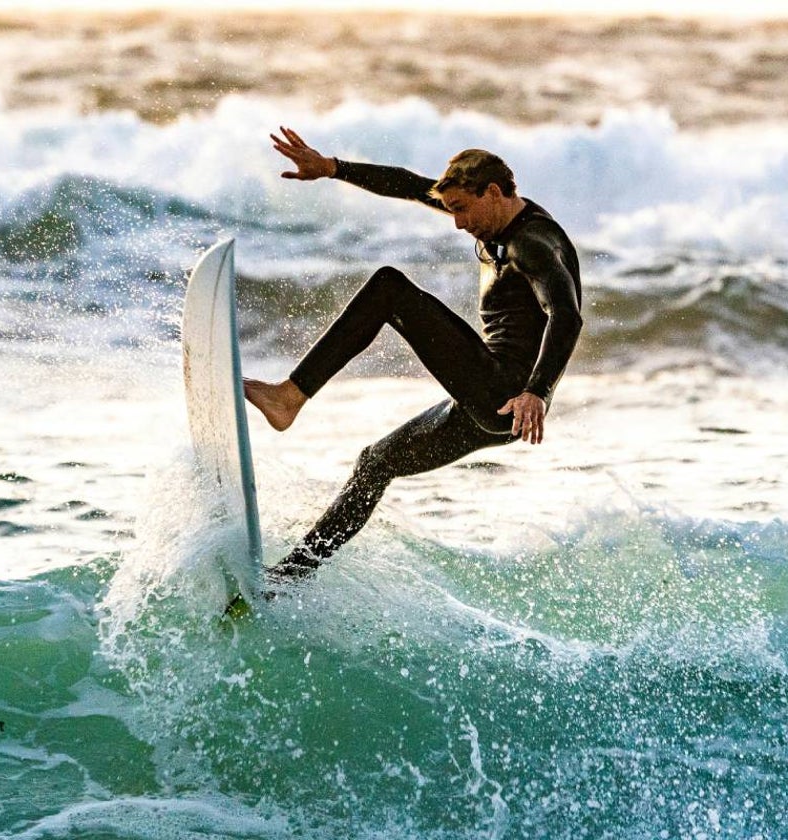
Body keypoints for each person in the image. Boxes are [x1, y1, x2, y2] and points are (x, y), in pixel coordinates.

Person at [246, 127, 583, 584]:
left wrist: (536, 393)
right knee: (375, 464)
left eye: (462, 210)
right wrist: (331, 169)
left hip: (507, 393)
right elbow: (406, 183)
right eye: (450, 211)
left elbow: (566, 314)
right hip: (488, 403)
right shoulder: (490, 218)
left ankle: (290, 397)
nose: (458, 223)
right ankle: (285, 579)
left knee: (389, 289)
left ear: (493, 192)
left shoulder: (533, 244)